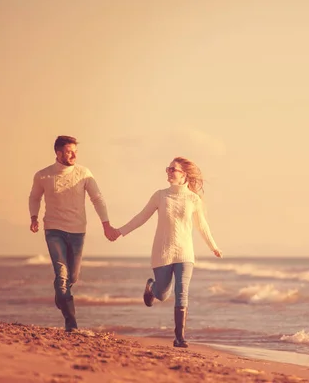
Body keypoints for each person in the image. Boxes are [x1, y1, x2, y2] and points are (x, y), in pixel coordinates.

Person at [113, 156, 223, 348]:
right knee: (163, 294)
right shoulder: (160, 195)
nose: (169, 172)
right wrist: (120, 231)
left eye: (174, 169)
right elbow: (141, 217)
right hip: (162, 252)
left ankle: (179, 338)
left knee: (182, 292)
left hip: (185, 253)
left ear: (184, 175)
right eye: (169, 169)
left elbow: (202, 226)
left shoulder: (193, 199)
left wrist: (213, 246)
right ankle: (152, 288)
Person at [29, 135, 119, 332]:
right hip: (53, 230)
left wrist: (106, 224)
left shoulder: (83, 173)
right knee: (62, 275)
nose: (74, 155)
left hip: (78, 231)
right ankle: (71, 323)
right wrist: (34, 217)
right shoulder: (43, 175)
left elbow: (98, 198)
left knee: (73, 277)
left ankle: (61, 295)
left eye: (75, 151)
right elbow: (34, 197)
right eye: (69, 151)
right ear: (58, 152)